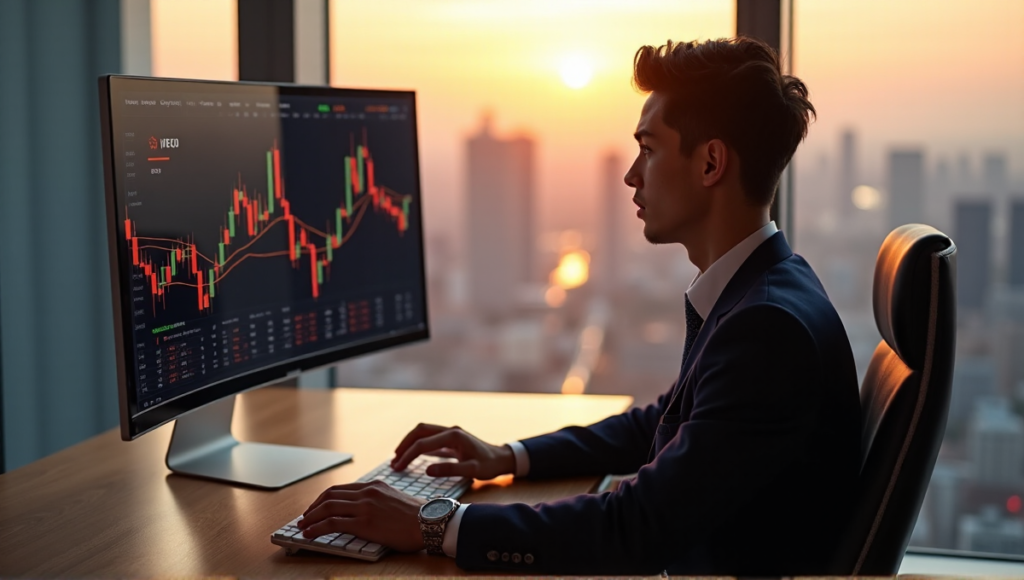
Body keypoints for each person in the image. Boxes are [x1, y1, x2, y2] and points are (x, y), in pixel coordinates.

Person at [296, 37, 862, 575]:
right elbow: (661, 424)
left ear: (711, 163)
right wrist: (508, 455)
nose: (630, 175)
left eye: (648, 149)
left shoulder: (766, 329)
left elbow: (636, 529)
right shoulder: (767, 288)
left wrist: (433, 523)